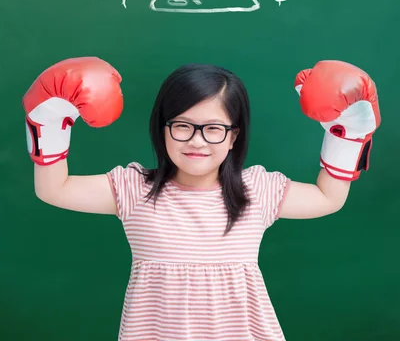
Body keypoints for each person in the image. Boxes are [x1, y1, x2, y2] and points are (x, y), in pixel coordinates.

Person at [23, 56, 381, 341]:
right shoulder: (133, 189)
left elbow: (327, 197)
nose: (196, 141)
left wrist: (348, 135)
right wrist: (50, 121)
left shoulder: (257, 190)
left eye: (213, 129)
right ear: (162, 129)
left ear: (232, 137)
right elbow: (54, 189)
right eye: (182, 126)